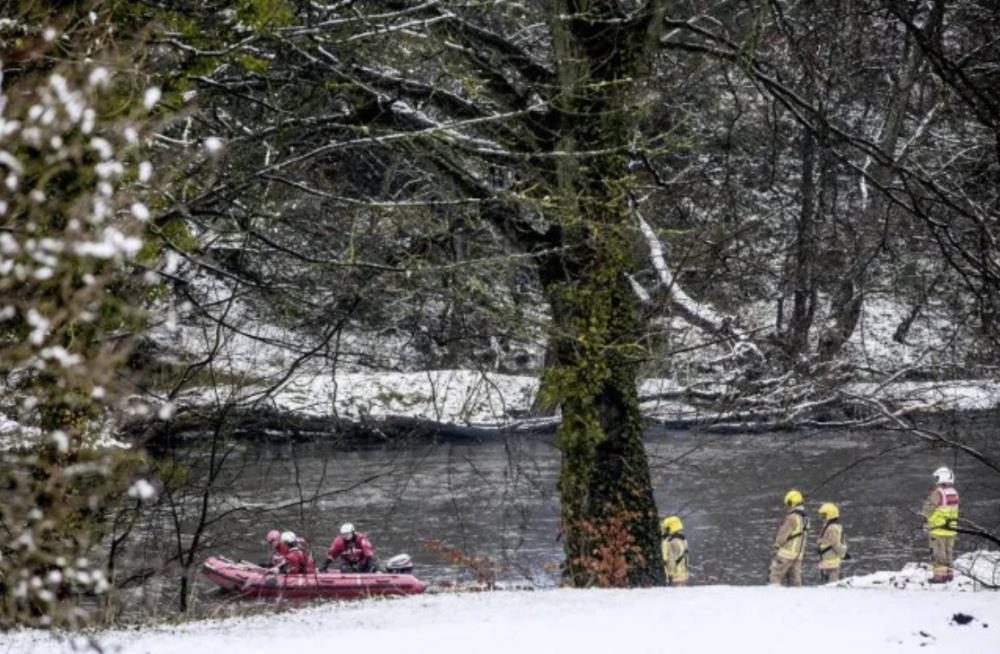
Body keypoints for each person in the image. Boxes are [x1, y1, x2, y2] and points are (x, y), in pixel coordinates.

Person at [922, 466, 960, 583]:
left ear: (941, 477)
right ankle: (949, 575)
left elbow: (927, 509)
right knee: (948, 553)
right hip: (951, 529)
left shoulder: (938, 493)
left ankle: (940, 577)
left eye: (936, 478)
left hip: (937, 529)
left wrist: (924, 519)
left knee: (938, 554)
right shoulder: (954, 492)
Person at [770, 489, 808, 586]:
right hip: (798, 554)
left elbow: (782, 535)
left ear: (792, 502)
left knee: (775, 576)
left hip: (785, 553)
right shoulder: (805, 518)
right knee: (795, 580)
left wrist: (777, 545)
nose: (787, 506)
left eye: (788, 503)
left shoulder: (791, 517)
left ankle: (772, 594)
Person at [816, 502, 848, 583]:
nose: (822, 517)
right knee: (829, 579)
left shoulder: (832, 528)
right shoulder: (829, 526)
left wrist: (842, 553)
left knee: (833, 581)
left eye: (824, 514)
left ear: (830, 514)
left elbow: (835, 543)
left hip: (831, 559)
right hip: (828, 558)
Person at [660, 515, 689, 586]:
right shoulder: (681, 539)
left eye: (666, 528)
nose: (664, 531)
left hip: (674, 576)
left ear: (671, 527)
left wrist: (670, 574)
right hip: (681, 574)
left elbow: (672, 559)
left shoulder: (672, 541)